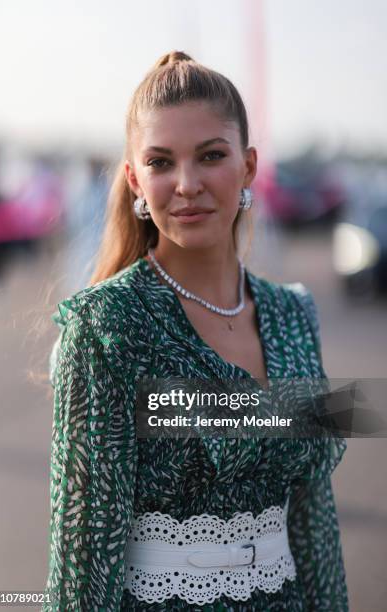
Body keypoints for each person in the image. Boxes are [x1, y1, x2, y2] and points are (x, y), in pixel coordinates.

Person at [42, 51, 349, 611]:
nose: (187, 184)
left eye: (211, 155)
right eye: (161, 163)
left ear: (249, 166)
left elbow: (314, 521)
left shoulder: (293, 315)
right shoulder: (106, 326)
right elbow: (82, 564)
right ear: (135, 178)